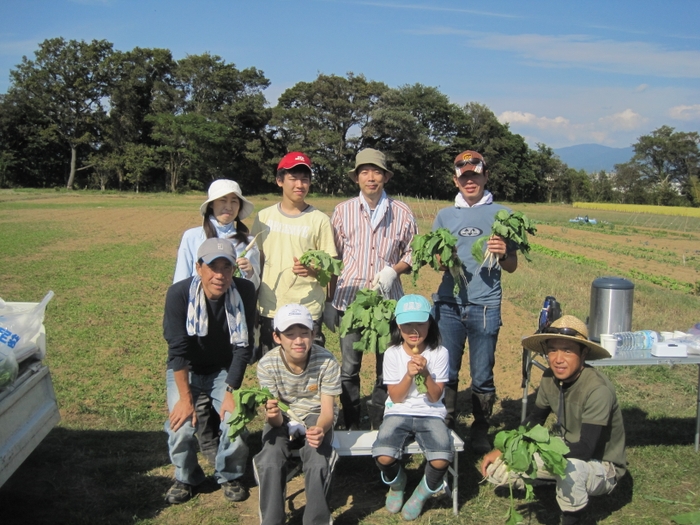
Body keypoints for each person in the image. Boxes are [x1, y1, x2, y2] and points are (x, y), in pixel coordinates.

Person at [480, 315, 627, 525]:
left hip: (601, 465)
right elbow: (535, 418)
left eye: (567, 351)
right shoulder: (550, 377)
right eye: (552, 350)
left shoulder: (597, 390)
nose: (558, 359)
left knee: (571, 470)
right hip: (567, 450)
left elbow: (586, 448)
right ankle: (554, 484)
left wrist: (535, 454)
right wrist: (507, 448)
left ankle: (572, 517)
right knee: (497, 470)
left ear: (583, 353)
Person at [431, 150, 518, 453]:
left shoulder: (503, 214)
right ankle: (447, 424)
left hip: (485, 305)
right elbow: (437, 263)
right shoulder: (444, 215)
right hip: (449, 304)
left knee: (482, 372)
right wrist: (443, 259)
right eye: (464, 176)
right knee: (447, 370)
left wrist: (504, 251)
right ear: (456, 180)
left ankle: (481, 428)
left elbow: (512, 265)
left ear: (485, 176)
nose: (470, 181)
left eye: (475, 175)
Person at [172, 178, 261, 466]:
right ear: (211, 205)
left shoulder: (247, 242)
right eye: (222, 201)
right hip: (197, 322)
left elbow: (253, 286)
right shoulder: (192, 236)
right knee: (193, 402)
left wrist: (248, 271)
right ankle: (203, 445)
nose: (228, 206)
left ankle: (221, 456)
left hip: (230, 325)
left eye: (234, 201)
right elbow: (182, 281)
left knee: (222, 388)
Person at [328, 148, 418, 430]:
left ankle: (381, 422)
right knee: (349, 368)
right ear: (356, 177)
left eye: (377, 172)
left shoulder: (401, 212)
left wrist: (394, 270)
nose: (371, 177)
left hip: (388, 305)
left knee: (386, 367)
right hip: (350, 303)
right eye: (364, 172)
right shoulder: (342, 211)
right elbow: (333, 258)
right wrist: (330, 300)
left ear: (385, 177)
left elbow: (414, 253)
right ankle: (352, 423)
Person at [162, 237, 256, 504]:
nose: (220, 275)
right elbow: (177, 352)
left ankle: (230, 474)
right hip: (186, 370)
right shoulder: (179, 294)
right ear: (198, 267)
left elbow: (243, 348)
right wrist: (185, 398)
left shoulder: (245, 291)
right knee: (179, 426)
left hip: (223, 370)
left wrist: (230, 391)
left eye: (227, 267)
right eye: (212, 267)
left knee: (234, 421)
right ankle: (186, 476)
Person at [253, 303, 341, 525]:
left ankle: (317, 520)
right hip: (284, 417)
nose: (298, 340)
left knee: (318, 456)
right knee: (270, 457)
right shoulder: (267, 365)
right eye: (290, 334)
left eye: (304, 333)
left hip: (316, 414)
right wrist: (272, 414)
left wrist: (320, 429)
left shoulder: (327, 361)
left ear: (313, 334)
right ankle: (272, 519)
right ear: (276, 337)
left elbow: (328, 410)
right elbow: (274, 419)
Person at [372, 294, 453, 521]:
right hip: (398, 412)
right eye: (408, 324)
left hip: (430, 413)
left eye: (420, 323)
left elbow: (436, 396)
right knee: (384, 456)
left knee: (441, 458)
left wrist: (425, 373)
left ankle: (421, 493)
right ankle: (398, 484)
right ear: (398, 325)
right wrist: (409, 374)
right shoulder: (392, 353)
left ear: (430, 323)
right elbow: (396, 398)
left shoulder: (440, 353)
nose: (414, 330)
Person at [251, 152, 337, 357]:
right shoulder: (264, 217)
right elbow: (256, 263)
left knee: (308, 373)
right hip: (271, 308)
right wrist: (251, 304)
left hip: (307, 310)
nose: (300, 184)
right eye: (293, 178)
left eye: (305, 179)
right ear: (279, 181)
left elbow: (332, 269)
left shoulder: (319, 220)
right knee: (273, 372)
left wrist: (313, 272)